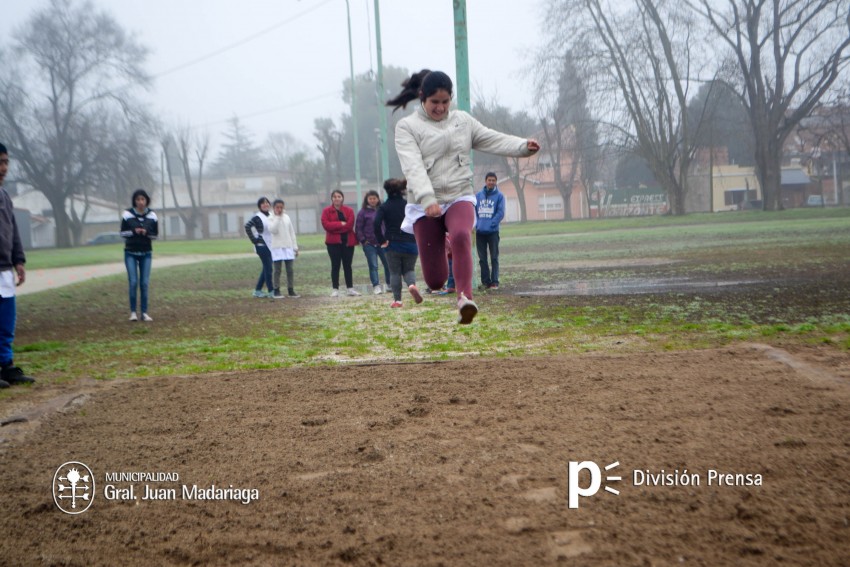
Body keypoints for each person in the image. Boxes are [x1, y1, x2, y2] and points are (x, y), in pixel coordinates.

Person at [387, 69, 539, 323]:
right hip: (426, 204)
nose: (440, 108)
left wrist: (522, 147)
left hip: (459, 193)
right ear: (422, 98)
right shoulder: (407, 127)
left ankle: (465, 299)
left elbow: (491, 138)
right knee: (435, 280)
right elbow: (412, 166)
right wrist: (427, 199)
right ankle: (442, 267)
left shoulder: (463, 122)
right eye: (435, 102)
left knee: (460, 234)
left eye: (445, 102)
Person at [0, 143, 35, 388]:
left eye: (6, 162)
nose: (3, 168)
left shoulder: (4, 196)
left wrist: (19, 260)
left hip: (5, 270)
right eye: (0, 162)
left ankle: (7, 366)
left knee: (6, 322)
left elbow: (13, 232)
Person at [374, 178, 422, 308]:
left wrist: (382, 241)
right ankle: (412, 285)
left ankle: (398, 301)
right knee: (409, 269)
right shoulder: (408, 205)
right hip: (411, 243)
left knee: (394, 272)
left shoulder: (384, 207)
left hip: (393, 244)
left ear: (387, 191)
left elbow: (376, 223)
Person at [120, 188, 159, 322]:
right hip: (130, 252)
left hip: (146, 253)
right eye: (138, 199)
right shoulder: (127, 214)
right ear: (134, 201)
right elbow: (122, 233)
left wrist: (146, 232)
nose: (140, 202)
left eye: (143, 199)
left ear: (146, 200)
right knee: (133, 282)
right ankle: (133, 313)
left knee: (144, 283)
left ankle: (144, 313)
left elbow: (155, 235)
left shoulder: (152, 215)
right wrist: (134, 231)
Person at [321, 189, 360, 297]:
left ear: (342, 198)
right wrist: (340, 224)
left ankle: (350, 288)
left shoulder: (349, 210)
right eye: (334, 197)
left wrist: (336, 226)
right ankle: (335, 289)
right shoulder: (326, 211)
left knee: (348, 265)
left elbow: (349, 226)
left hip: (347, 242)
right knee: (335, 265)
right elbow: (326, 225)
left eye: (339, 196)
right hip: (333, 243)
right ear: (332, 199)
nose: (337, 198)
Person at [356, 190, 391, 295]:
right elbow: (358, 228)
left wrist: (387, 238)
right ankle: (376, 286)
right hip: (369, 244)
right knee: (373, 265)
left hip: (382, 242)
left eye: (374, 198)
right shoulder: (362, 212)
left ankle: (389, 284)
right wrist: (363, 240)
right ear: (367, 200)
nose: (372, 200)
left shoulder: (382, 210)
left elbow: (387, 224)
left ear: (378, 199)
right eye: (370, 198)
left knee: (388, 264)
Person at [475, 172, 505, 290]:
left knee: (494, 258)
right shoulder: (478, 196)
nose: (491, 182)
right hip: (480, 233)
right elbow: (474, 212)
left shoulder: (500, 196)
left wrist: (492, 223)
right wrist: (478, 224)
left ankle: (494, 282)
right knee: (482, 259)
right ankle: (485, 282)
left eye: (493, 180)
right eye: (489, 180)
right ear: (485, 181)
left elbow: (500, 212)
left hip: (493, 232)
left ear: (496, 182)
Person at [268, 199, 300, 299]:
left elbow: (291, 232)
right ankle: (276, 290)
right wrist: (277, 217)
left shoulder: (287, 217)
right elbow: (273, 230)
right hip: (277, 247)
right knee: (277, 270)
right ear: (274, 208)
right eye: (277, 207)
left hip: (288, 246)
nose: (279, 209)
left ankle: (291, 290)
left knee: (290, 270)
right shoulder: (270, 218)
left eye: (281, 207)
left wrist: (295, 247)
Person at [244, 197, 274, 298]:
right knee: (269, 268)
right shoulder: (257, 217)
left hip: (271, 245)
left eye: (267, 203)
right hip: (261, 245)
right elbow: (247, 226)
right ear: (259, 206)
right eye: (263, 203)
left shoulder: (271, 215)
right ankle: (271, 291)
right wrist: (254, 240)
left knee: (266, 268)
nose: (265, 204)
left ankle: (257, 290)